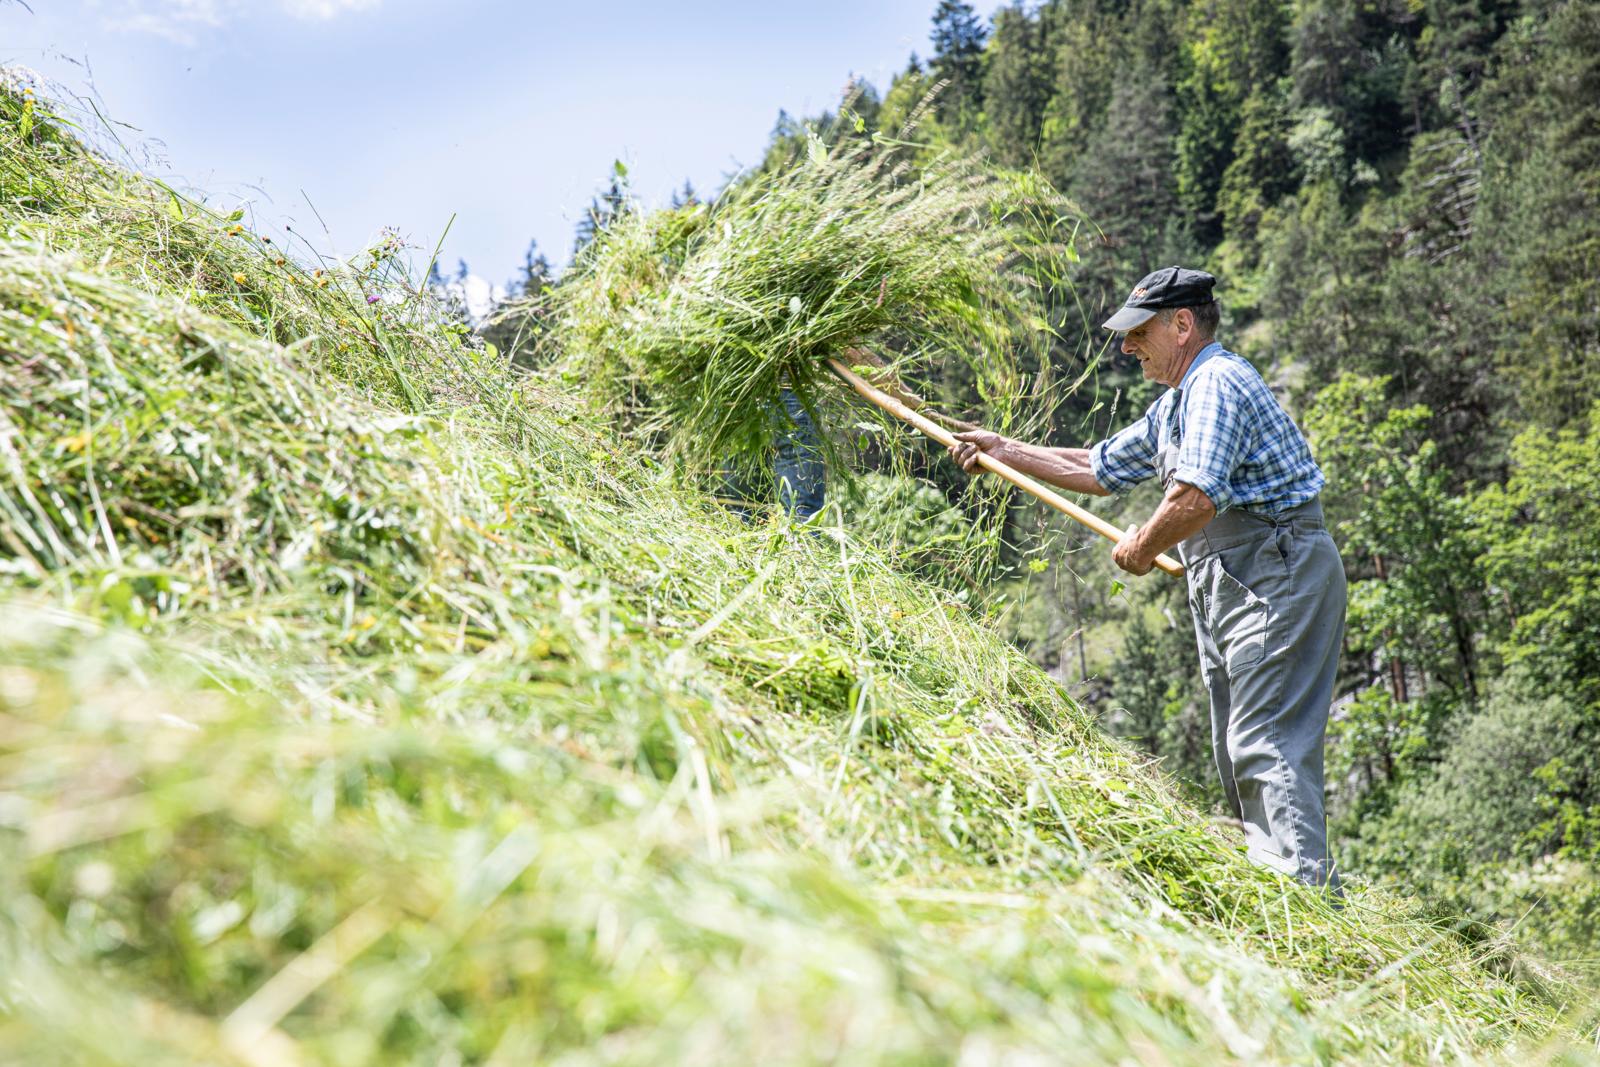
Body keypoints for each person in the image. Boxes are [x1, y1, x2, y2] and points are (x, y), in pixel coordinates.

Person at [947, 266, 1347, 890]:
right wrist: (1007, 452)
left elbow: (1195, 497)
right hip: (1230, 577)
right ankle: (1276, 885)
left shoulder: (1217, 382)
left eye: (1138, 332)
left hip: (1276, 567)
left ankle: (1306, 901)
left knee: (1263, 737)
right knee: (1237, 742)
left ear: (1182, 324)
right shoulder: (1177, 405)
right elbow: (1096, 465)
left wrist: (1140, 544)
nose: (1127, 347)